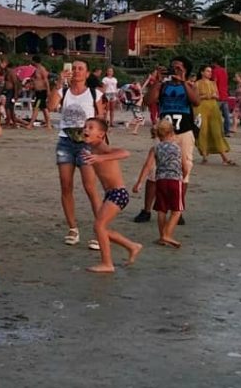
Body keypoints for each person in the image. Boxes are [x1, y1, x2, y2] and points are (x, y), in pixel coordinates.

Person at [47, 60, 103, 248]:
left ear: (87, 74)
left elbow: (101, 120)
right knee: (66, 186)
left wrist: (97, 142)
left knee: (90, 187)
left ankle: (99, 228)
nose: (77, 72)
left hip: (86, 143)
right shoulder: (64, 92)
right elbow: (51, 106)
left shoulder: (94, 93)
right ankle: (72, 228)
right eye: (74, 68)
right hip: (65, 141)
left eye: (81, 69)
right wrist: (58, 84)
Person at [135, 58, 199, 223]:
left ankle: (177, 210)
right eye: (173, 67)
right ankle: (147, 209)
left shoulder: (190, 86)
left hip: (184, 131)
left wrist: (183, 81)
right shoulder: (163, 85)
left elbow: (196, 101)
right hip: (164, 132)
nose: (174, 70)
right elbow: (148, 101)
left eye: (179, 67)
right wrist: (158, 81)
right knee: (154, 171)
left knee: (184, 170)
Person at [79, 119, 142, 273]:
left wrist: (101, 158)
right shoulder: (90, 148)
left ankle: (107, 264)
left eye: (90, 128)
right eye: (85, 127)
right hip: (110, 194)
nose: (86, 129)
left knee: (99, 226)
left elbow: (125, 153)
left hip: (118, 193)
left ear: (101, 134)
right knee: (100, 229)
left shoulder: (102, 147)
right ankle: (132, 246)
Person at [133, 118, 185, 248]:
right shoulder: (177, 148)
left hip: (160, 180)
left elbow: (148, 166)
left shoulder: (155, 148)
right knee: (177, 211)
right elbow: (185, 165)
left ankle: (162, 236)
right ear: (172, 132)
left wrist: (139, 182)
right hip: (175, 180)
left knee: (161, 209)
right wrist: (185, 173)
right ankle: (167, 235)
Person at [196, 65, 236, 166]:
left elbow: (218, 96)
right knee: (203, 131)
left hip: (213, 108)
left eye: (210, 71)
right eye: (207, 71)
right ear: (202, 72)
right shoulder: (197, 84)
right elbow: (195, 97)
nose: (210, 73)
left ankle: (224, 157)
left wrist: (214, 96)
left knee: (217, 131)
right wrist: (206, 96)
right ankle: (204, 156)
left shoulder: (213, 83)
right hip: (201, 108)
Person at [28, 55, 52, 129]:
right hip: (38, 91)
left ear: (34, 61)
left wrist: (48, 91)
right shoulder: (35, 70)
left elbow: (46, 80)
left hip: (42, 91)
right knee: (43, 108)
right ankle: (48, 124)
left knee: (36, 107)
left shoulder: (42, 69)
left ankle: (31, 124)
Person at [211, 57, 232, 137]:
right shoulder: (224, 71)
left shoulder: (215, 71)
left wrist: (214, 92)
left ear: (215, 63)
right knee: (226, 115)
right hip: (225, 95)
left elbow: (214, 82)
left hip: (218, 96)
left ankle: (216, 131)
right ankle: (227, 131)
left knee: (215, 115)